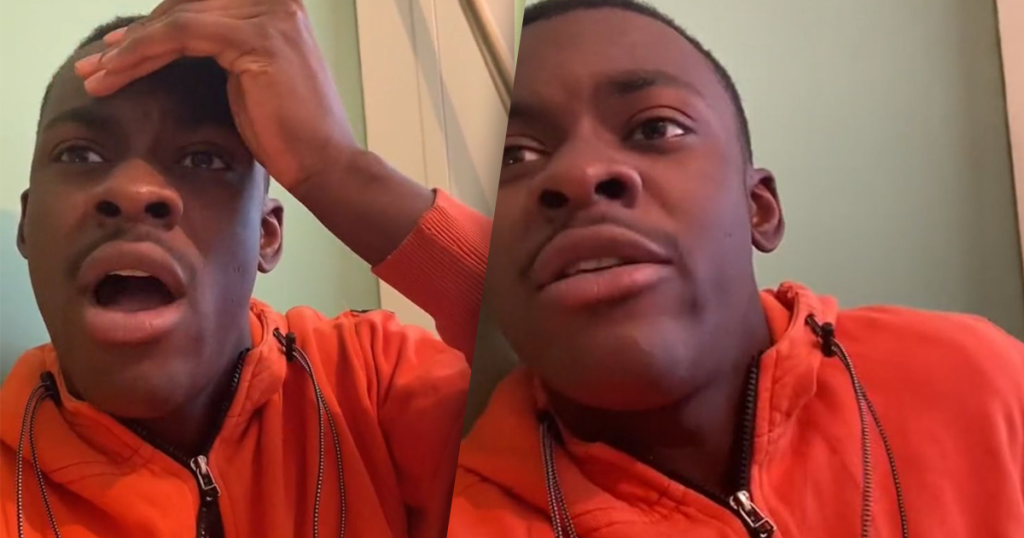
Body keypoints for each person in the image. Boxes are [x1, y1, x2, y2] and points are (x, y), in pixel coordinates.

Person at [449, 0, 1024, 536]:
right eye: (513, 155)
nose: (580, 174)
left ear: (759, 208)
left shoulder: (981, 386)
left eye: (655, 128)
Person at [0, 1, 490, 537]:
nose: (135, 191)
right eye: (80, 155)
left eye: (204, 159)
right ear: (28, 226)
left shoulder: (375, 385)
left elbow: (557, 387)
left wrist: (338, 168)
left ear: (266, 235)